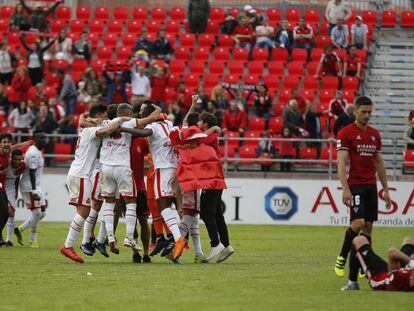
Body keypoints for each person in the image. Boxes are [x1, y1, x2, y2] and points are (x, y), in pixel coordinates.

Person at [335, 96, 392, 290]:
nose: (367, 115)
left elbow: (380, 163)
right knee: (357, 224)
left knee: (367, 228)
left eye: (370, 112)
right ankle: (343, 255)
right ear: (356, 110)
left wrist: (385, 188)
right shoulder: (345, 133)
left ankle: (362, 266)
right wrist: (345, 188)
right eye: (364, 111)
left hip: (371, 186)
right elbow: (341, 162)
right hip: (356, 185)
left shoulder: (375, 135)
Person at [60, 105, 127, 263]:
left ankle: (74, 244)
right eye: (104, 116)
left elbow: (83, 119)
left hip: (77, 173)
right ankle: (68, 246)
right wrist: (121, 120)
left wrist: (88, 118)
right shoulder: (90, 131)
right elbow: (105, 131)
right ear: (99, 116)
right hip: (81, 175)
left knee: (82, 211)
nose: (105, 119)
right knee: (84, 212)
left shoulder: (86, 127)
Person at [122, 102, 186, 261]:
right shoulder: (168, 123)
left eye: (143, 113)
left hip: (162, 169)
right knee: (165, 205)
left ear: (149, 116)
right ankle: (175, 239)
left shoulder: (154, 128)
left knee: (162, 205)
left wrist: (122, 128)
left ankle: (177, 239)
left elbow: (143, 133)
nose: (141, 116)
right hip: (173, 167)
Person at [99, 104, 161, 254]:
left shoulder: (105, 124)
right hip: (123, 169)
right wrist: (158, 109)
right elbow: (152, 118)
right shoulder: (129, 123)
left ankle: (111, 237)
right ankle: (129, 238)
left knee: (109, 204)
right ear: (128, 113)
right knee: (130, 203)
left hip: (106, 168)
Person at [197, 112, 234, 263]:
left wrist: (213, 129)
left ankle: (215, 244)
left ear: (205, 124)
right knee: (217, 214)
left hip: (211, 179)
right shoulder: (211, 135)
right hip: (216, 178)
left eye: (200, 122)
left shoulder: (208, 137)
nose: (198, 125)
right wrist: (214, 129)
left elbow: (196, 140)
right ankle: (226, 245)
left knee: (206, 214)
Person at [14, 131, 47, 248]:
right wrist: (34, 191)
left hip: (36, 186)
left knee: (42, 213)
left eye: (44, 137)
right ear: (34, 139)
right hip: (29, 187)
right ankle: (33, 241)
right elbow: (32, 173)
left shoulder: (38, 151)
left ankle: (20, 229)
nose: (44, 139)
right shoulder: (33, 153)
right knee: (37, 213)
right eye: (41, 138)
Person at [348, 235, 414, 291]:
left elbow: (392, 253)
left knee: (359, 240)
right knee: (408, 240)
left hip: (379, 275)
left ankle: (352, 283)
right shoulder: (408, 277)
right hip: (399, 269)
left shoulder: (398, 281)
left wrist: (411, 263)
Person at [4, 149, 26, 246]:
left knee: (11, 213)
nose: (17, 162)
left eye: (19, 160)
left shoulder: (22, 166)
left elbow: (17, 179)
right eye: (15, 159)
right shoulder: (6, 163)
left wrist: (16, 192)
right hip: (1, 186)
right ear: (11, 158)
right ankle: (15, 228)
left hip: (10, 189)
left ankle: (9, 240)